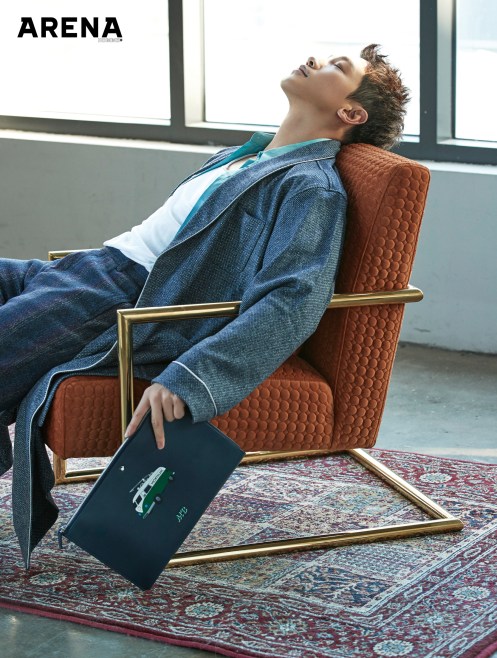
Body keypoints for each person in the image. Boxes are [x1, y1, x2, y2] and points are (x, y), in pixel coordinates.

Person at [0, 45, 409, 564]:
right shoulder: (243, 156)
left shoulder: (310, 189)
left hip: (120, 298)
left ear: (351, 112)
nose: (315, 58)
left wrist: (194, 376)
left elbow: (293, 300)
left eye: (338, 66)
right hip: (85, 268)